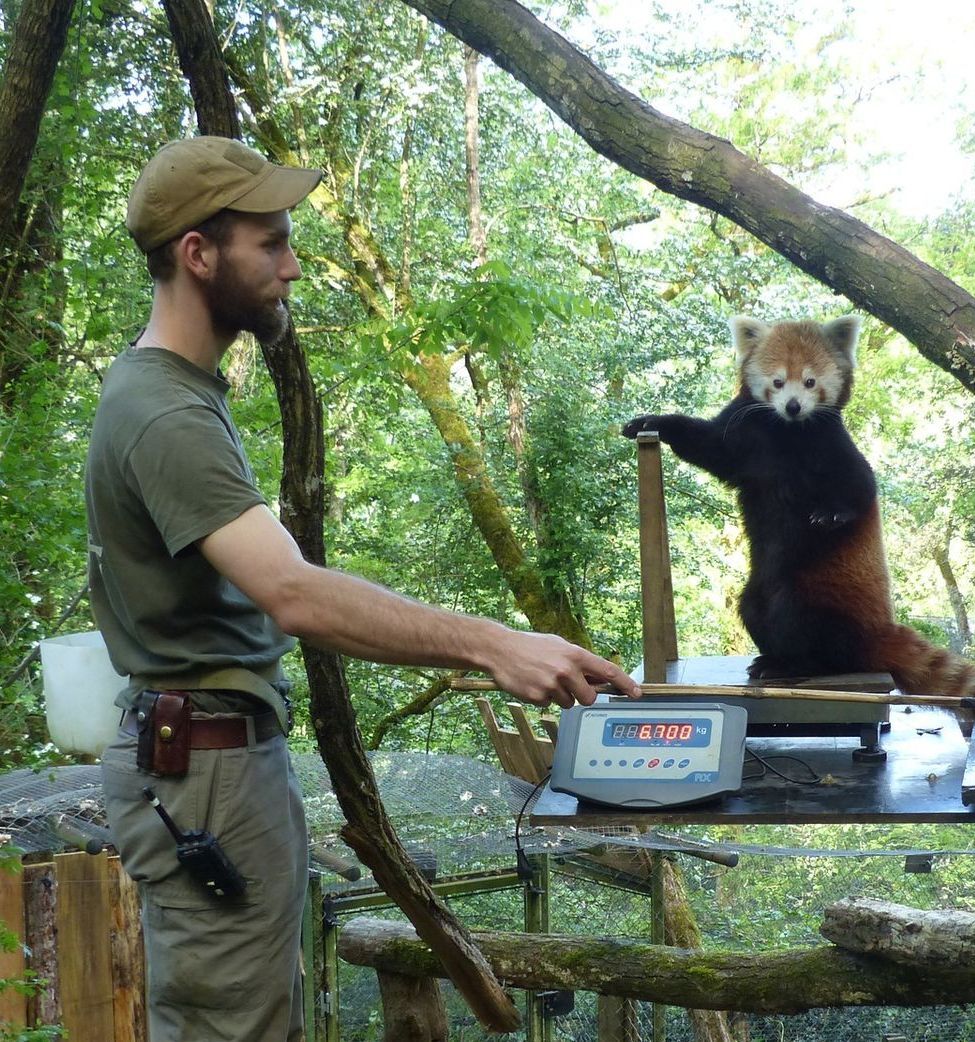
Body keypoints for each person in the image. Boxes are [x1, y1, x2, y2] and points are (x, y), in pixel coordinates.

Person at [86, 136, 641, 1042]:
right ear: (198, 253)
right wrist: (495, 644)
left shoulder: (178, 393)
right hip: (204, 776)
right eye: (270, 242)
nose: (293, 267)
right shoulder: (163, 412)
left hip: (214, 766)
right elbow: (293, 594)